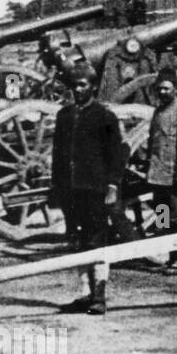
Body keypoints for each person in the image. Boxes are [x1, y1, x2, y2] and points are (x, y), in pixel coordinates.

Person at [50, 61, 125, 315]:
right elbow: (57, 155)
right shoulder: (64, 116)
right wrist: (56, 189)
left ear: (92, 87)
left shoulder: (105, 117)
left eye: (83, 85)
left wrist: (113, 186)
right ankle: (84, 294)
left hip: (95, 189)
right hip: (71, 190)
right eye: (75, 86)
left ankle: (99, 295)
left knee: (97, 240)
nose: (78, 90)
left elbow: (116, 154)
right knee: (77, 240)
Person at [145, 68, 177, 274]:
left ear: (175, 89)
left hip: (175, 178)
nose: (163, 92)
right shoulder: (158, 112)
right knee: (162, 218)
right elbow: (153, 143)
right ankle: (169, 256)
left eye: (167, 88)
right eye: (160, 89)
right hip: (158, 178)